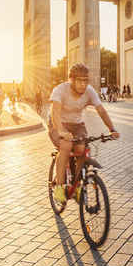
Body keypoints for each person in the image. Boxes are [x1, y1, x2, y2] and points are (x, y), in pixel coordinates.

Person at [50, 63, 119, 205]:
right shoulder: (60, 90)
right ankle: (59, 188)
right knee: (66, 145)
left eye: (85, 80)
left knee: (82, 149)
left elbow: (101, 110)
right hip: (57, 123)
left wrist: (112, 129)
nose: (83, 84)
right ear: (71, 80)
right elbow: (54, 112)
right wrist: (61, 131)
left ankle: (76, 185)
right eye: (79, 80)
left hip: (77, 125)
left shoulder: (89, 91)